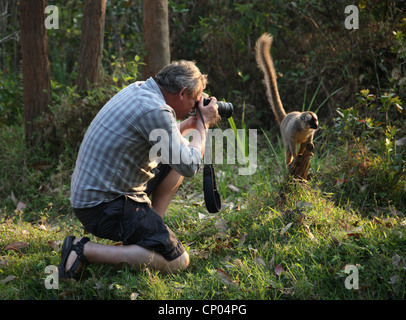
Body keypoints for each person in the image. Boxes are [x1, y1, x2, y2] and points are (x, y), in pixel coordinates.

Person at [58, 60, 220, 279]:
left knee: (175, 160)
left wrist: (190, 124)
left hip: (100, 194)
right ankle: (83, 250)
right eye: (195, 99)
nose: (195, 106)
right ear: (182, 93)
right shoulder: (156, 109)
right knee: (178, 261)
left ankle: (152, 228)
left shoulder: (141, 89)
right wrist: (203, 124)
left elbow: (165, 143)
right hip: (102, 208)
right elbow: (189, 165)